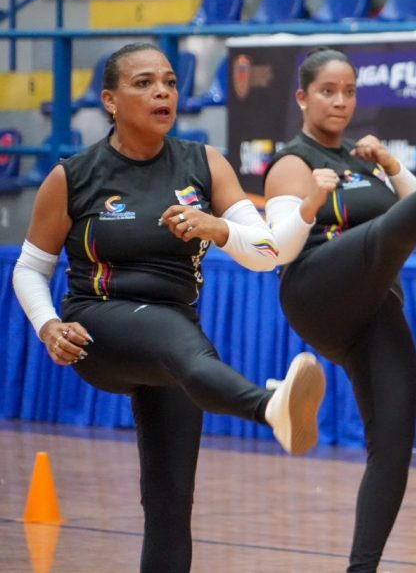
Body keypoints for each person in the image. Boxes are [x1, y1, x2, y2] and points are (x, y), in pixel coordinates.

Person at [11, 42, 327, 573]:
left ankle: (270, 407)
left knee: (170, 507)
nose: (163, 92)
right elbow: (29, 268)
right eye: (144, 83)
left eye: (170, 82)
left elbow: (267, 253)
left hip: (177, 341)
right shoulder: (74, 176)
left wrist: (219, 228)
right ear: (109, 100)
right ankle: (269, 406)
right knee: (176, 341)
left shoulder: (204, 163)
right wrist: (48, 326)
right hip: (98, 325)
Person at [262, 48, 416, 572]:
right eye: (328, 91)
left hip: (371, 307)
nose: (340, 102)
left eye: (349, 92)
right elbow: (280, 249)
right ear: (302, 98)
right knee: (391, 227)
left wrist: (392, 166)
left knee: (395, 443)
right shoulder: (292, 162)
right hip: (316, 288)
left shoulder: (364, 159)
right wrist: (312, 201)